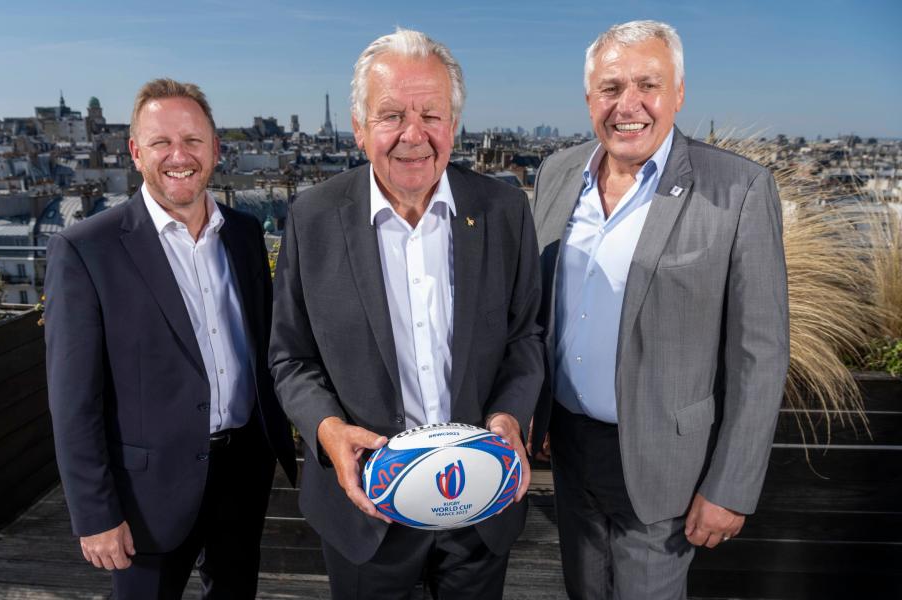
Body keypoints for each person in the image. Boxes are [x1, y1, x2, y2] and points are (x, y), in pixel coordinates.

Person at [269, 28, 544, 600]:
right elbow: (291, 358)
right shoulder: (313, 219)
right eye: (391, 115)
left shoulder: (504, 210)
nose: (413, 136)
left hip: (479, 505)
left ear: (454, 125)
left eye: (431, 115)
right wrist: (328, 430)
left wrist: (511, 415)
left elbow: (524, 338)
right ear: (359, 128)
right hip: (366, 512)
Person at [529, 20, 789, 600]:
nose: (629, 105)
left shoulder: (739, 188)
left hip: (668, 462)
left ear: (679, 93)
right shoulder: (557, 173)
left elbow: (761, 353)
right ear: (588, 97)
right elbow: (539, 310)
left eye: (648, 84)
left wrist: (731, 486)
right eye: (611, 87)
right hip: (569, 449)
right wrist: (535, 411)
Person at [44, 78, 297, 599]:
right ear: (136, 152)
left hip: (242, 467)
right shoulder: (85, 250)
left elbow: (263, 345)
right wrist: (94, 514)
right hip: (147, 489)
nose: (178, 156)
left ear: (215, 150)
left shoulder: (245, 234)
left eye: (193, 141)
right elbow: (74, 401)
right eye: (161, 142)